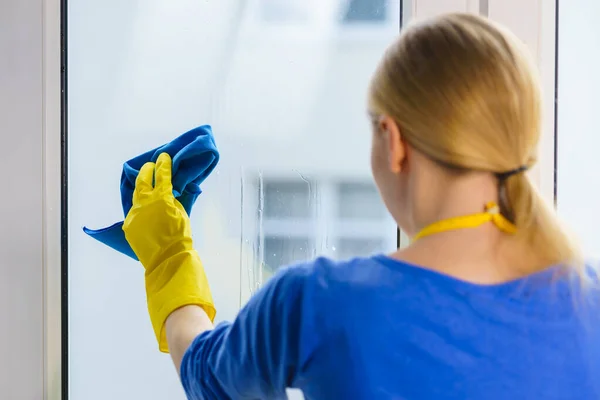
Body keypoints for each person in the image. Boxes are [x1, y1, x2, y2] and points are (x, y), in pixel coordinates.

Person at [122, 13, 600, 400]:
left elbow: (205, 373)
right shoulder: (588, 299)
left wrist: (168, 258)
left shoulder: (321, 304)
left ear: (393, 142)